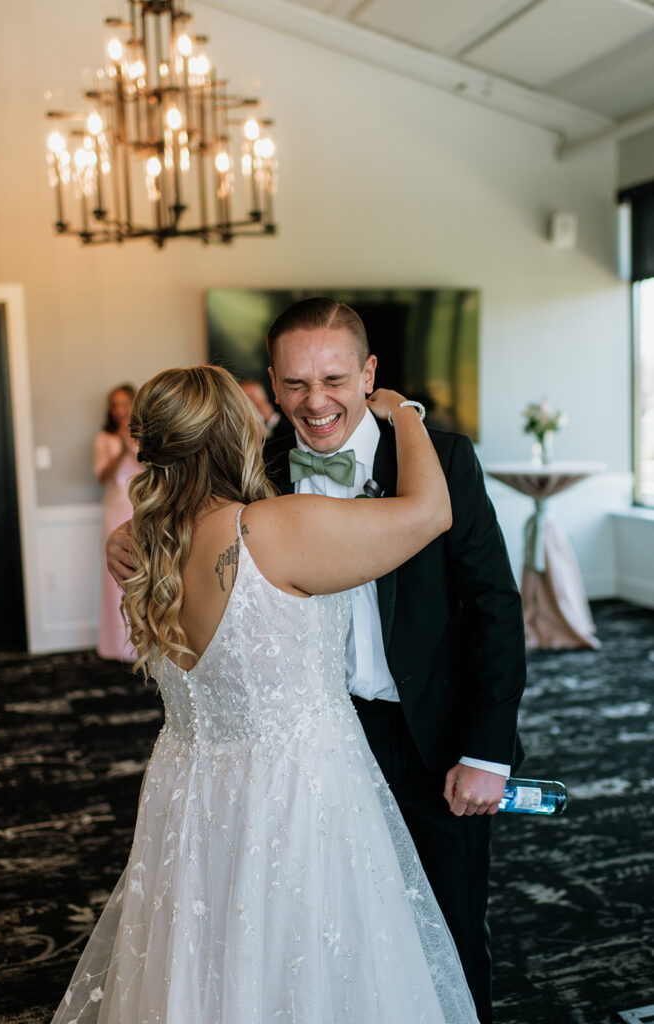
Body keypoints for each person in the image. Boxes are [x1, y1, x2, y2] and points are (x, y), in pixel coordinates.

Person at [106, 299, 527, 1023]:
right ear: (271, 384)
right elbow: (196, 526)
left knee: (446, 937)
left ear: (368, 374)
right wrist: (132, 535)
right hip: (313, 751)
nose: (316, 400)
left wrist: (487, 750)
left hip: (428, 735)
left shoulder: (442, 459)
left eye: (333, 377)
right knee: (309, 945)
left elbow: (495, 607)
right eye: (295, 384)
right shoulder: (259, 470)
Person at [93, 384, 138, 661]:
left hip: (140, 508)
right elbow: (102, 475)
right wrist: (120, 449)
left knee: (142, 571)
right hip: (114, 507)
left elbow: (150, 469)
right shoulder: (104, 438)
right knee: (116, 575)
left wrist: (129, 445)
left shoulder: (145, 436)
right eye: (115, 405)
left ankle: (144, 639)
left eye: (124, 404)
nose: (119, 410)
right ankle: (116, 643)